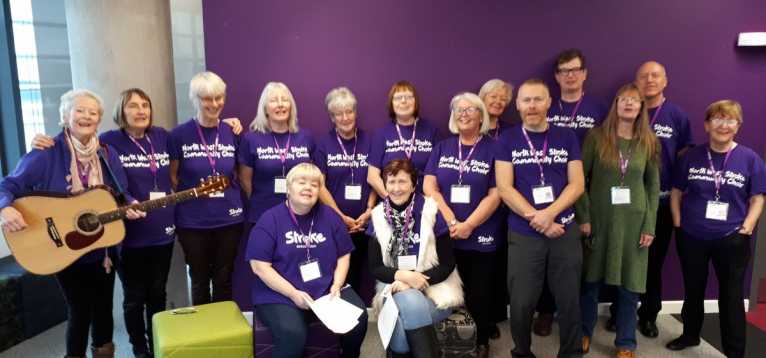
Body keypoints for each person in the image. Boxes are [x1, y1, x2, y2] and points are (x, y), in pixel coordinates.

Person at [28, 89, 243, 357]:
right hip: (126, 236)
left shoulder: (158, 139)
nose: (141, 111)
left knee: (156, 294)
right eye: (133, 106)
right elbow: (71, 144)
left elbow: (125, 186)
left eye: (145, 105)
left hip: (160, 232)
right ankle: (139, 349)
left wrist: (229, 123)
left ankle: (156, 347)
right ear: (121, 111)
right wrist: (43, 139)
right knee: (130, 300)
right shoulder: (108, 142)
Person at [0, 89, 144, 358]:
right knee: (79, 309)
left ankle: (103, 352)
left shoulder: (107, 155)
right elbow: (7, 184)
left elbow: (121, 191)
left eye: (92, 112)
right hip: (63, 247)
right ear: (65, 116)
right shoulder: (46, 152)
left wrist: (132, 203)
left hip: (101, 249)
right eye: (79, 110)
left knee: (102, 309)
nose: (86, 116)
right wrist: (4, 206)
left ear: (99, 120)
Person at [666, 100, 765, 358]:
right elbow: (676, 191)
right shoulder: (691, 156)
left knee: (731, 297)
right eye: (717, 119)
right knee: (693, 289)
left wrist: (747, 227)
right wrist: (678, 222)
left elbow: (758, 198)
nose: (724, 125)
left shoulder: (750, 159)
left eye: (730, 119)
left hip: (732, 239)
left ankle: (735, 351)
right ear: (707, 125)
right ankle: (690, 334)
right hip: (692, 235)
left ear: (738, 126)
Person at [495, 79, 585, 358]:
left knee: (569, 300)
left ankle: (571, 353)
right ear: (518, 105)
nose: (532, 105)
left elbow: (577, 184)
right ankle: (522, 352)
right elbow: (504, 188)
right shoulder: (507, 139)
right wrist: (538, 218)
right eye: (526, 100)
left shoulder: (567, 136)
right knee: (521, 303)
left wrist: (549, 214)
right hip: (524, 233)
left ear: (548, 103)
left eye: (538, 99)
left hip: (564, 230)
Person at [249, 163, 368, 358]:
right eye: (301, 182)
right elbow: (259, 267)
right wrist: (292, 293)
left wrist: (337, 285)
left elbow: (344, 254)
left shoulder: (330, 216)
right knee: (292, 335)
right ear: (288, 188)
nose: (308, 188)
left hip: (326, 289)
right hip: (280, 293)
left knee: (359, 319)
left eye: (314, 184)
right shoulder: (269, 220)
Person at [576, 83, 660, 358]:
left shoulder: (648, 141)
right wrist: (584, 217)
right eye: (623, 99)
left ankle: (626, 343)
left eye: (634, 101)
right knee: (589, 284)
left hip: (634, 225)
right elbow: (580, 182)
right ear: (616, 104)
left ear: (640, 108)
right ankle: (584, 333)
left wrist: (650, 225)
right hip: (600, 221)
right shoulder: (597, 137)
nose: (628, 104)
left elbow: (652, 187)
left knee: (629, 287)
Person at [424, 92, 501, 357]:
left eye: (470, 109)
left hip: (481, 234)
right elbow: (429, 185)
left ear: (482, 116)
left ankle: (479, 341)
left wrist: (469, 224)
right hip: (446, 232)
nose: (464, 113)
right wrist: (450, 219)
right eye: (458, 109)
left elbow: (497, 193)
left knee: (479, 292)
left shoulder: (495, 149)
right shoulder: (443, 147)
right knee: (445, 289)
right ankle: (447, 339)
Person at [368, 159, 463, 358]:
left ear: (413, 185)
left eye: (402, 182)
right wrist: (403, 276)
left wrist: (414, 282)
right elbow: (375, 267)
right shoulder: (377, 215)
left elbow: (447, 264)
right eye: (391, 182)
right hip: (393, 289)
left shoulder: (431, 210)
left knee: (406, 312)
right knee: (407, 310)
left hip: (436, 291)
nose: (396, 188)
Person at [627, 60, 693, 337]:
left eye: (656, 76)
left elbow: (683, 157)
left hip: (662, 202)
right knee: (626, 259)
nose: (650, 80)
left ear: (665, 81)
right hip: (627, 201)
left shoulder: (676, 115)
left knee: (653, 261)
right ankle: (624, 313)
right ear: (636, 82)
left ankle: (649, 315)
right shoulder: (626, 111)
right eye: (644, 76)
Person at [168, 71, 245, 305]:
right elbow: (173, 177)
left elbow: (240, 174)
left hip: (229, 218)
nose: (214, 104)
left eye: (218, 97)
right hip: (192, 220)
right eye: (207, 98)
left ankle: (222, 332)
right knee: (199, 279)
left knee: (224, 278)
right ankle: (204, 334)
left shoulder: (232, 131)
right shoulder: (179, 135)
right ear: (195, 99)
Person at [314, 87, 376, 301]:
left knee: (357, 273)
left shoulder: (370, 141)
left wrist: (369, 210)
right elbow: (320, 185)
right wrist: (341, 217)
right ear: (332, 117)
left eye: (349, 111)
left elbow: (375, 179)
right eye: (339, 113)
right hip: (333, 221)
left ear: (355, 113)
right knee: (334, 273)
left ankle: (354, 322)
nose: (345, 117)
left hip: (363, 222)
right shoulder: (323, 144)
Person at [239, 82, 315, 225]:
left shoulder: (305, 137)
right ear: (265, 109)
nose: (280, 104)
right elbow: (245, 180)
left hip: (300, 212)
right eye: (274, 100)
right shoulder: (251, 139)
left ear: (291, 106)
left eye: (285, 100)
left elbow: (311, 176)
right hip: (262, 213)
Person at [478, 78, 514, 339]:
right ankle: (476, 316)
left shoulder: (512, 132)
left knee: (499, 264)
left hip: (508, 209)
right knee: (479, 266)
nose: (498, 102)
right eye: (493, 97)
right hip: (477, 209)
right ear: (482, 99)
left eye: (503, 98)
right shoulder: (469, 128)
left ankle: (492, 315)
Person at [367, 81, 439, 195]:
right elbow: (372, 176)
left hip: (425, 203)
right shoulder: (382, 133)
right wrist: (392, 200)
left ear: (415, 102)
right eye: (398, 98)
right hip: (392, 203)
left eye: (409, 97)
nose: (403, 101)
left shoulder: (431, 130)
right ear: (391, 103)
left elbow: (439, 172)